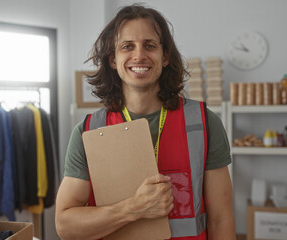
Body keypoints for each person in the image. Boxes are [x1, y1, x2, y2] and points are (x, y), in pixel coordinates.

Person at [55, 4, 235, 240]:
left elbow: (221, 219)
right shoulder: (89, 132)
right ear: (113, 59)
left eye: (149, 46)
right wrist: (135, 207)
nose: (139, 55)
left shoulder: (204, 124)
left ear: (165, 56)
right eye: (127, 47)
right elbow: (65, 226)